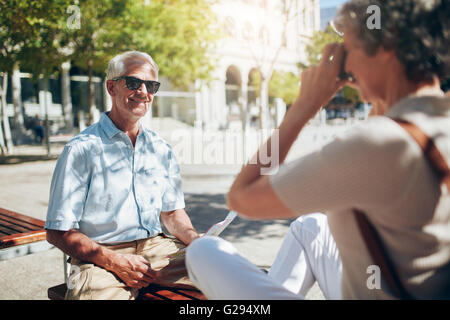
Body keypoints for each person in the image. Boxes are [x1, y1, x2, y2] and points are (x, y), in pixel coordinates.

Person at [186, 0, 450, 299]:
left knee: (203, 250)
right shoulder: (434, 121)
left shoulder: (378, 144)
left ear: (386, 44)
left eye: (348, 50)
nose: (346, 65)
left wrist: (303, 107)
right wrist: (382, 87)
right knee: (310, 225)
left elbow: (242, 197)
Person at [45, 51, 200, 300]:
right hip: (98, 255)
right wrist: (114, 261)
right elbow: (58, 232)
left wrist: (194, 238)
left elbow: (171, 213)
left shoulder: (161, 148)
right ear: (111, 87)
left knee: (229, 273)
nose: (142, 91)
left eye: (151, 85)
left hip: (157, 249)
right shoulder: (81, 149)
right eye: (132, 82)